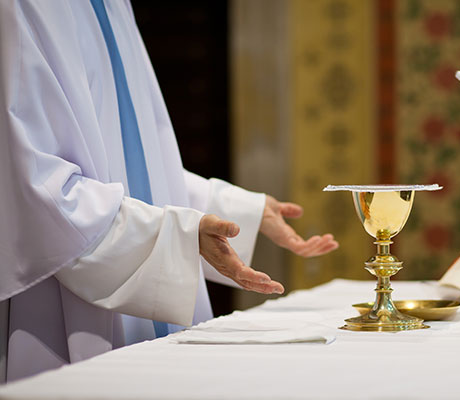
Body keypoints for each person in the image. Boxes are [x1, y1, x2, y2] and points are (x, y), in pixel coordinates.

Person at [0, 0, 338, 383]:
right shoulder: (25, 7)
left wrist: (237, 210)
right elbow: (38, 193)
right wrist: (176, 234)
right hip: (61, 306)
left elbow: (134, 162)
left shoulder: (114, 6)